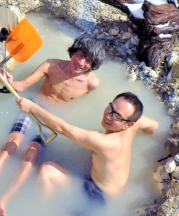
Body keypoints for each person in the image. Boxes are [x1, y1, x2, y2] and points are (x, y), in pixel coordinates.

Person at [0, 34, 105, 212]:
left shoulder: (92, 83)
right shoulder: (51, 65)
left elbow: (84, 107)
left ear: (93, 65)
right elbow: (23, 85)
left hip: (51, 120)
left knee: (31, 153)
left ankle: (4, 199)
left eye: (88, 61)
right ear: (73, 52)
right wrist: (10, 82)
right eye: (80, 55)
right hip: (31, 106)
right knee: (12, 143)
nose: (81, 62)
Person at [14, 92, 159, 216]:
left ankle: (42, 209)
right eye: (110, 108)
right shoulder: (134, 124)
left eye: (117, 116)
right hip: (114, 189)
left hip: (97, 196)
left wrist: (32, 107)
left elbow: (63, 128)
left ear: (128, 124)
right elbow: (154, 126)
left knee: (46, 171)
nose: (109, 116)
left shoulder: (105, 142)